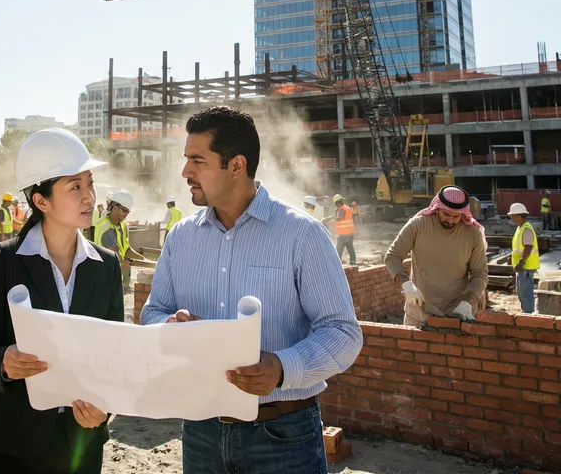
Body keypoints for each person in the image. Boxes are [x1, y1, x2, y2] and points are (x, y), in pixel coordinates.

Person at [141, 106, 362, 474]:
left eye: (198, 160)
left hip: (284, 437)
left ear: (237, 165)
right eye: (186, 160)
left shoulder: (302, 235)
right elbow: (152, 313)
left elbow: (343, 332)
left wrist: (280, 368)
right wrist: (170, 326)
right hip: (200, 433)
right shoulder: (181, 238)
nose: (185, 173)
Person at [0, 127, 124, 474]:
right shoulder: (3, 262)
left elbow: (115, 359)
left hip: (81, 446)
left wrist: (104, 409)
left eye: (90, 183)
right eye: (75, 187)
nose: (90, 197)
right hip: (11, 447)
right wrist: (3, 363)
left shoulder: (107, 266)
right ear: (41, 201)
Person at [385, 185, 488, 327]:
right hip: (419, 310)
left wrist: (468, 302)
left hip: (458, 314)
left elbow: (480, 274)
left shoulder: (472, 234)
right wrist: (406, 284)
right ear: (437, 208)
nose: (451, 221)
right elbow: (392, 256)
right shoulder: (418, 226)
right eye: (446, 214)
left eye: (456, 216)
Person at [94, 190, 145, 262]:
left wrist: (144, 260)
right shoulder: (107, 229)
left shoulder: (122, 224)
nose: (126, 214)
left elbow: (127, 250)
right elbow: (118, 259)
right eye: (124, 210)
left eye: (128, 211)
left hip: (114, 269)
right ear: (115, 208)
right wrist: (150, 265)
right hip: (104, 270)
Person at [509, 202, 539, 314]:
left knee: (525, 292)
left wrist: (521, 262)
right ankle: (526, 312)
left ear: (519, 215)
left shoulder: (526, 229)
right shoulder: (520, 227)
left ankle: (528, 313)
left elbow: (528, 247)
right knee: (522, 292)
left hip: (525, 266)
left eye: (512, 215)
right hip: (522, 265)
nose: (511, 218)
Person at [333, 194, 356, 266]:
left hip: (344, 234)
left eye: (336, 204)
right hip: (350, 233)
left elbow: (340, 218)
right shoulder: (347, 207)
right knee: (350, 249)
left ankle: (338, 265)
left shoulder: (342, 209)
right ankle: (353, 263)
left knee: (338, 250)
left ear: (337, 202)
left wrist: (332, 221)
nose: (336, 205)